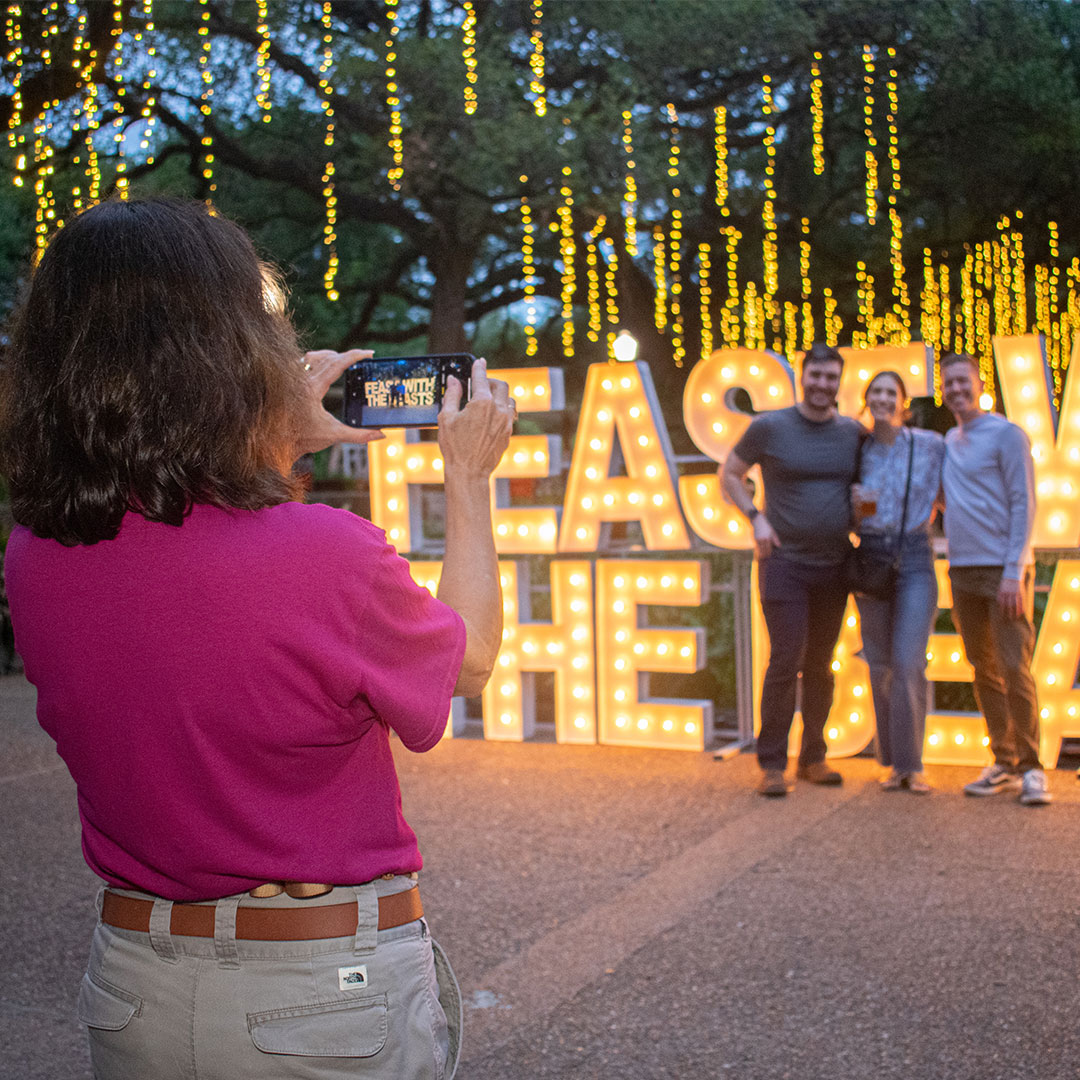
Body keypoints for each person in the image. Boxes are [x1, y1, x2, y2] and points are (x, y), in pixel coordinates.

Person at [0, 197, 516, 1078]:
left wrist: (271, 439)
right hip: (319, 998)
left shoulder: (35, 553)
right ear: (226, 356)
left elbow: (189, 556)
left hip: (135, 990)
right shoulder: (323, 555)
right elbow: (466, 661)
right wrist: (468, 481)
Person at [721, 343, 864, 797]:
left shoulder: (853, 434)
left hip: (835, 563)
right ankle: (771, 764)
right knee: (786, 659)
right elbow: (729, 474)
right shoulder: (769, 427)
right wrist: (754, 517)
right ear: (802, 378)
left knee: (822, 664)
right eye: (815, 376)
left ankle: (814, 757)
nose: (822, 384)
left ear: (839, 382)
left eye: (830, 377)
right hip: (783, 564)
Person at [940, 352, 1051, 806]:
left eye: (963, 381)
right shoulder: (950, 439)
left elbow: (1024, 501)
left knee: (1014, 666)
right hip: (961, 568)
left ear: (981, 384)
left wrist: (1014, 569)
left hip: (1003, 571)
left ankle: (1032, 769)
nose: (957, 390)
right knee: (983, 669)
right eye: (949, 383)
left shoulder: (1007, 435)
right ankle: (1003, 761)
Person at [851, 371, 944, 794]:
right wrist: (854, 511)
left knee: (909, 662)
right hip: (871, 555)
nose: (883, 399)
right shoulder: (856, 450)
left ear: (903, 402)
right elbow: (851, 513)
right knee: (880, 665)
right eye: (876, 392)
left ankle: (913, 765)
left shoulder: (930, 445)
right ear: (867, 400)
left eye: (892, 392)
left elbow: (954, 491)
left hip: (915, 557)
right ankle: (891, 763)